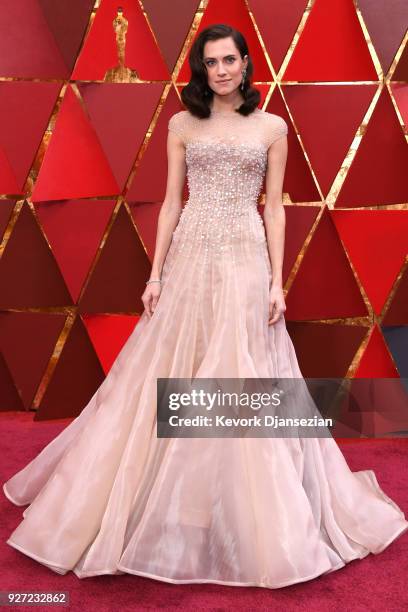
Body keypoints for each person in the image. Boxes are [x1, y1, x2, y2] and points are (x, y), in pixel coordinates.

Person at [3, 24, 408, 589]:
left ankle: (247, 510)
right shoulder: (180, 123)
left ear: (246, 65)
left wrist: (275, 283)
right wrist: (154, 275)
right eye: (210, 62)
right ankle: (180, 503)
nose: (219, 70)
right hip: (191, 253)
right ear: (202, 68)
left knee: (241, 371)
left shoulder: (272, 127)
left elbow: (274, 210)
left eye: (229, 60)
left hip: (245, 257)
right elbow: (171, 205)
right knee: (176, 369)